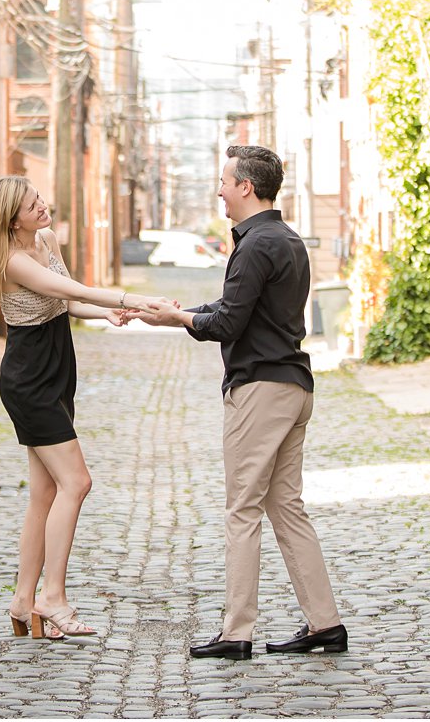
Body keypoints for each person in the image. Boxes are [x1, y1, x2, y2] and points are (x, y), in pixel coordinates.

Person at [132, 145, 347, 661]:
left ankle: (237, 632)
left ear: (247, 186)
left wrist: (175, 319)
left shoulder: (253, 246)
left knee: (242, 508)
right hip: (294, 386)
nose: (221, 190)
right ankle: (325, 623)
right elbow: (237, 311)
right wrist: (181, 314)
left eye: (225, 181)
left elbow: (227, 323)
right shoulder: (288, 240)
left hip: (261, 390)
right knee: (286, 508)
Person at [0, 175, 170, 641]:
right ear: (11, 219)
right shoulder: (13, 260)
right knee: (77, 482)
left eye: (40, 198)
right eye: (32, 205)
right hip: (28, 379)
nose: (43, 207)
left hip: (58, 370)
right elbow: (79, 289)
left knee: (44, 494)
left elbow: (64, 298)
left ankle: (24, 602)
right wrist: (133, 299)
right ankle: (53, 598)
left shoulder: (45, 238)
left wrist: (104, 313)